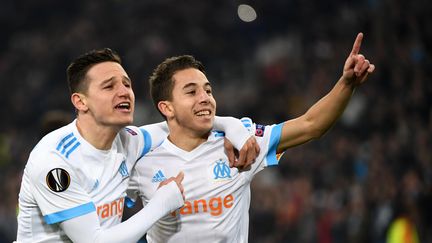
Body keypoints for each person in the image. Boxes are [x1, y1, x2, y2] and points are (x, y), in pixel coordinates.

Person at [127, 32, 375, 242]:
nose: (205, 97)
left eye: (208, 90)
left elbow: (311, 125)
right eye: (191, 92)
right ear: (167, 108)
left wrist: (346, 84)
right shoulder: (141, 162)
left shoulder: (239, 143)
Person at [15, 48, 256, 243]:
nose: (124, 92)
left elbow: (180, 123)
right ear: (80, 101)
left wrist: (232, 125)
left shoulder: (128, 141)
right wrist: (163, 202)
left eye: (127, 84)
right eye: (109, 86)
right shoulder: (55, 161)